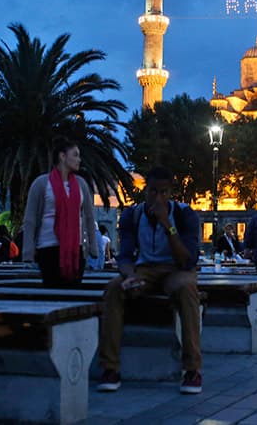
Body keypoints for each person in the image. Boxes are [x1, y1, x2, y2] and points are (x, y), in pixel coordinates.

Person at [97, 166, 201, 394]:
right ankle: (110, 367)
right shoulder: (132, 215)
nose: (158, 197)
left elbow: (187, 260)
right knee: (114, 289)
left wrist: (168, 226)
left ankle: (192, 369)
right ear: (145, 191)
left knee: (187, 289)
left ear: (171, 193)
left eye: (164, 193)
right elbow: (124, 255)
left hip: (175, 269)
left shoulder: (185, 215)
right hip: (144, 270)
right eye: (153, 191)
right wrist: (129, 275)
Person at [22, 139, 99, 286]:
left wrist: (93, 248)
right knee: (51, 294)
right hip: (47, 248)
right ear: (62, 156)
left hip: (76, 251)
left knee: (74, 294)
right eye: (75, 155)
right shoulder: (41, 183)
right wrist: (28, 253)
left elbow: (89, 217)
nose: (79, 159)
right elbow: (30, 219)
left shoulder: (81, 184)